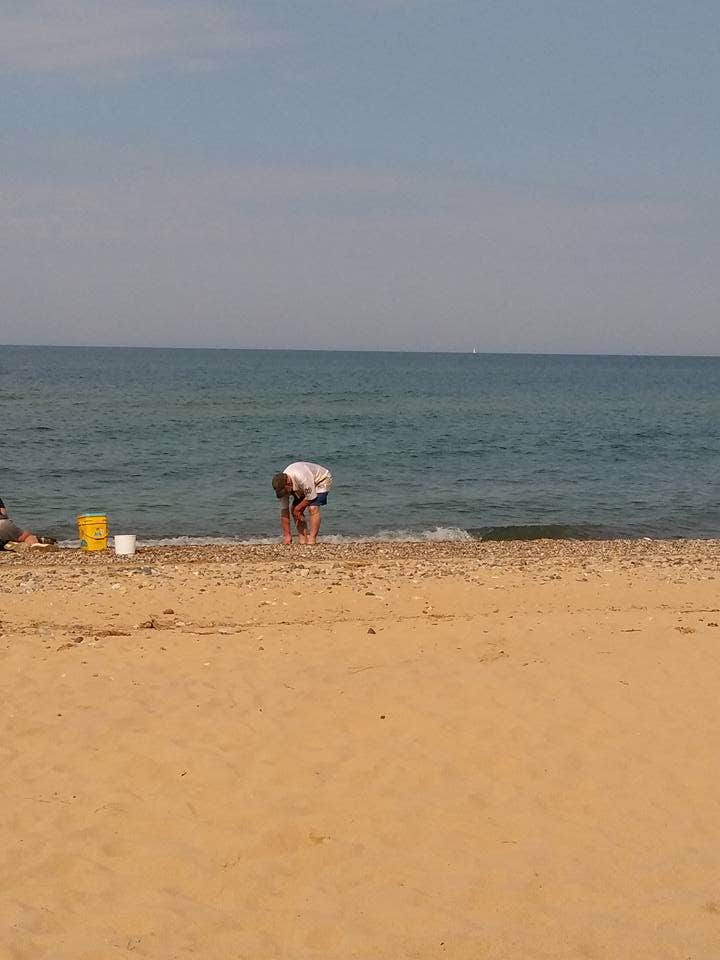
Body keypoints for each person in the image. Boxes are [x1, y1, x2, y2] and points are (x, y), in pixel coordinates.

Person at [271, 462, 333, 545]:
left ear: (288, 484)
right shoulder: (282, 486)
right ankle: (302, 538)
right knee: (293, 509)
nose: (284, 494)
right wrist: (287, 535)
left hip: (321, 479)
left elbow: (311, 497)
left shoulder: (301, 477)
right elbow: (284, 511)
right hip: (304, 486)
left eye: (285, 491)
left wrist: (298, 509)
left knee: (313, 508)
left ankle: (312, 539)